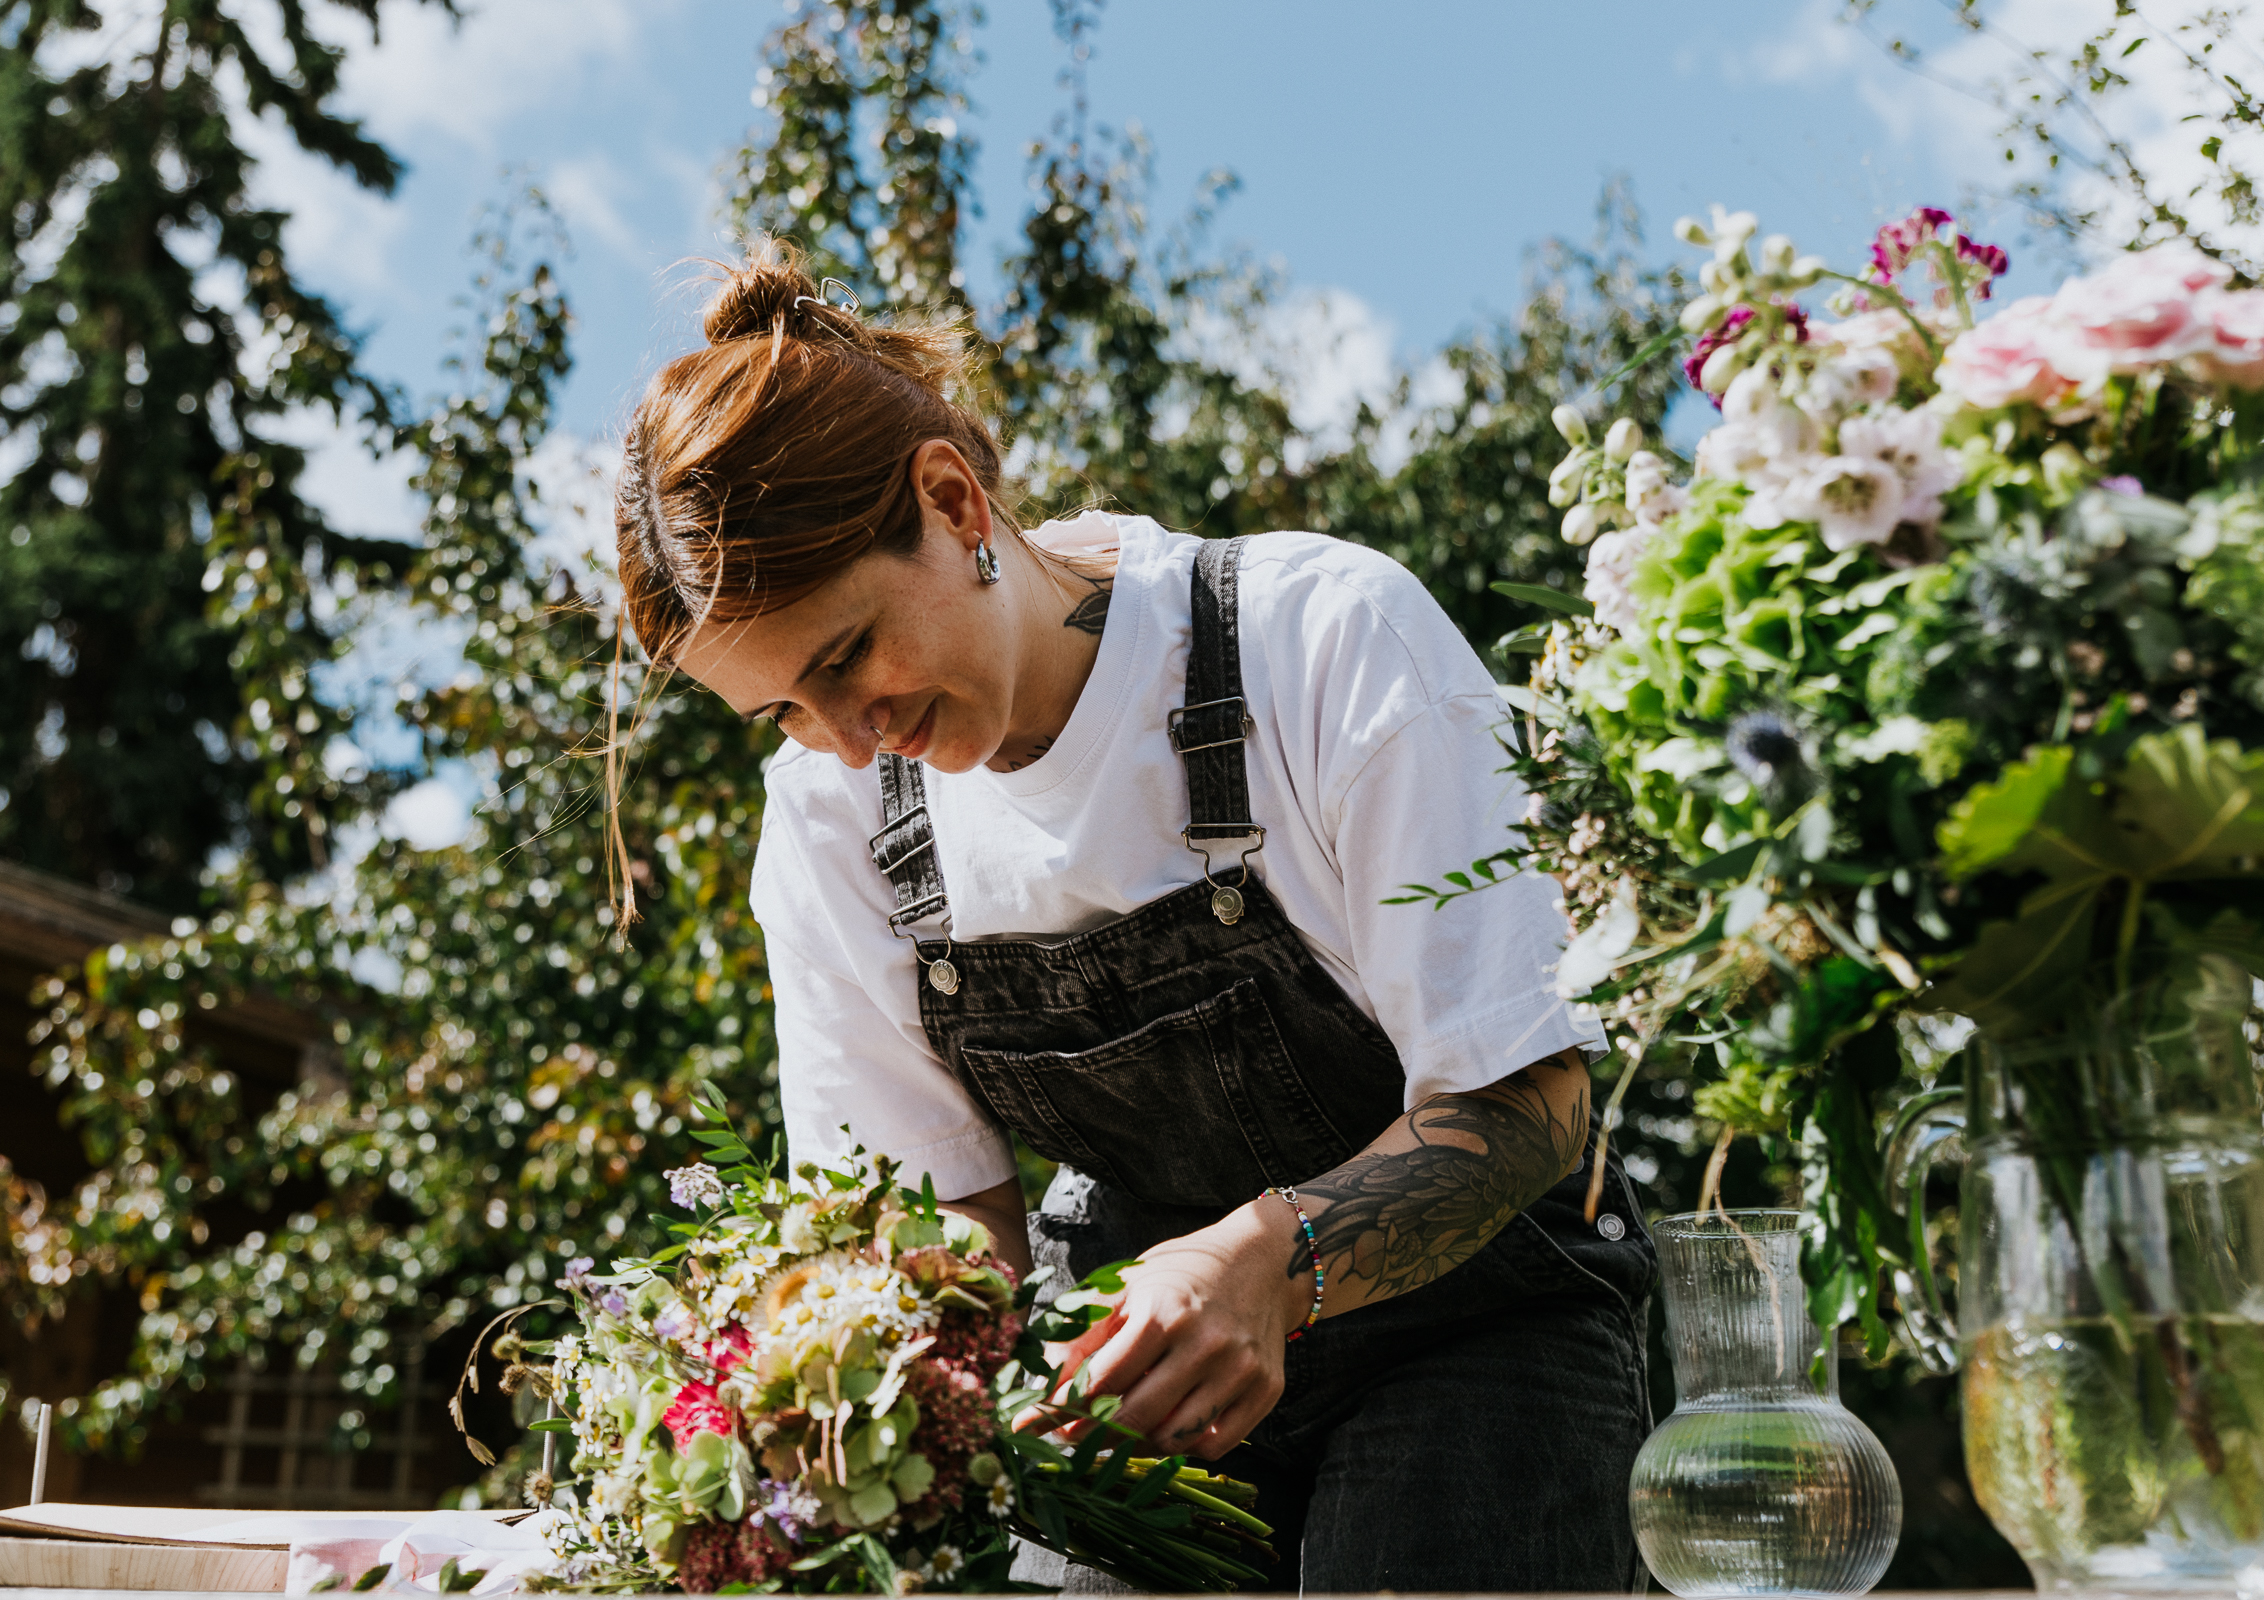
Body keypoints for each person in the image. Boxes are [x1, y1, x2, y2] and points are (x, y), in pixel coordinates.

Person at [612, 243, 1657, 1593]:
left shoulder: (1316, 640)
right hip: (1135, 1391)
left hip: (1480, 1336)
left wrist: (1268, 1263)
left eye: (845, 658)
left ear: (952, 501)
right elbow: (941, 1233)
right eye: (785, 715)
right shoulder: (830, 824)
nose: (851, 742)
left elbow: (1529, 1105)